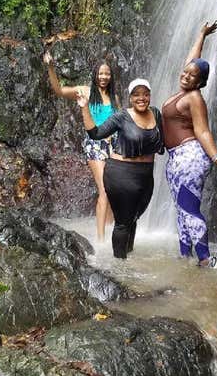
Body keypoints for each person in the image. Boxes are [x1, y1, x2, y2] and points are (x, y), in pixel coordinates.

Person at [162, 21, 217, 268]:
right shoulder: (184, 89)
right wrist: (201, 34)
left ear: (199, 82)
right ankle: (185, 257)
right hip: (176, 158)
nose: (185, 76)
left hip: (190, 156)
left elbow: (203, 131)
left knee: (189, 209)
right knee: (181, 211)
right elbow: (193, 60)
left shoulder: (194, 98)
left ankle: (206, 260)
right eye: (185, 72)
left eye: (192, 76)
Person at [78, 79, 164, 259]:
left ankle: (128, 256)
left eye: (145, 94)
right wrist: (84, 108)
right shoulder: (122, 116)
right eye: (137, 94)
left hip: (146, 176)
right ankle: (119, 265)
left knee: (133, 218)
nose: (142, 98)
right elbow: (96, 134)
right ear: (130, 97)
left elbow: (163, 142)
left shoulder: (156, 113)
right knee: (123, 222)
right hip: (121, 174)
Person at [42, 50, 118, 243]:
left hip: (113, 145)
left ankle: (109, 231)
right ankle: (101, 241)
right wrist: (51, 67)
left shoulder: (114, 98)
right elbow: (58, 90)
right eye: (100, 73)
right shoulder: (85, 90)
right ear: (95, 74)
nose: (104, 77)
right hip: (94, 144)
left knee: (114, 190)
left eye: (107, 73)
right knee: (105, 189)